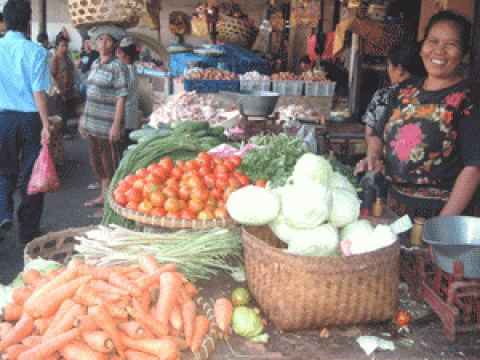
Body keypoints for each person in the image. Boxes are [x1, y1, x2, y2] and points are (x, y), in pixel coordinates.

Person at [354, 11, 480, 219]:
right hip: (392, 205)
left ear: (464, 54)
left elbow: (473, 168)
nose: (439, 50)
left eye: (451, 44)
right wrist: (373, 155)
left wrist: (442, 226)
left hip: (440, 213)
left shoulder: (469, 100)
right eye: (433, 41)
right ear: (422, 47)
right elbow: (377, 131)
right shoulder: (402, 90)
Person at [0, 0, 51, 244]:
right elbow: (38, 92)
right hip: (31, 119)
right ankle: (28, 231)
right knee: (33, 174)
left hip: (3, 119)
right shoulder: (37, 51)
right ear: (28, 20)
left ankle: (3, 214)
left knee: (3, 171)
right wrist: (47, 125)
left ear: (5, 20)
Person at [78, 26, 128, 208]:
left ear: (115, 44)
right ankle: (104, 196)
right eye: (100, 39)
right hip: (92, 123)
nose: (103, 43)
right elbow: (89, 93)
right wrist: (83, 118)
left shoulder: (118, 67)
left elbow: (121, 98)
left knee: (110, 162)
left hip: (107, 125)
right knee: (96, 161)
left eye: (107, 40)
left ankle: (112, 200)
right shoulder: (95, 64)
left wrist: (116, 125)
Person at [362, 38, 425, 146]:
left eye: (389, 65)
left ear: (399, 70)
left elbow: (370, 135)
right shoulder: (431, 95)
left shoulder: (383, 96)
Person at [115, 37, 140, 154]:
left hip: (125, 119)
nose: (117, 56)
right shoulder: (132, 70)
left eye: (119, 53)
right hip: (131, 117)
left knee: (124, 151)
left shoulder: (126, 73)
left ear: (125, 55)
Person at [50, 35, 76, 139]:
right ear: (57, 47)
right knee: (61, 111)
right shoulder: (54, 59)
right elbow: (52, 76)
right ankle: (62, 133)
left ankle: (65, 130)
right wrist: (56, 88)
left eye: (66, 45)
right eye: (62, 45)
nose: (64, 48)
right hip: (60, 90)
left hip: (68, 89)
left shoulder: (68, 58)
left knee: (66, 110)